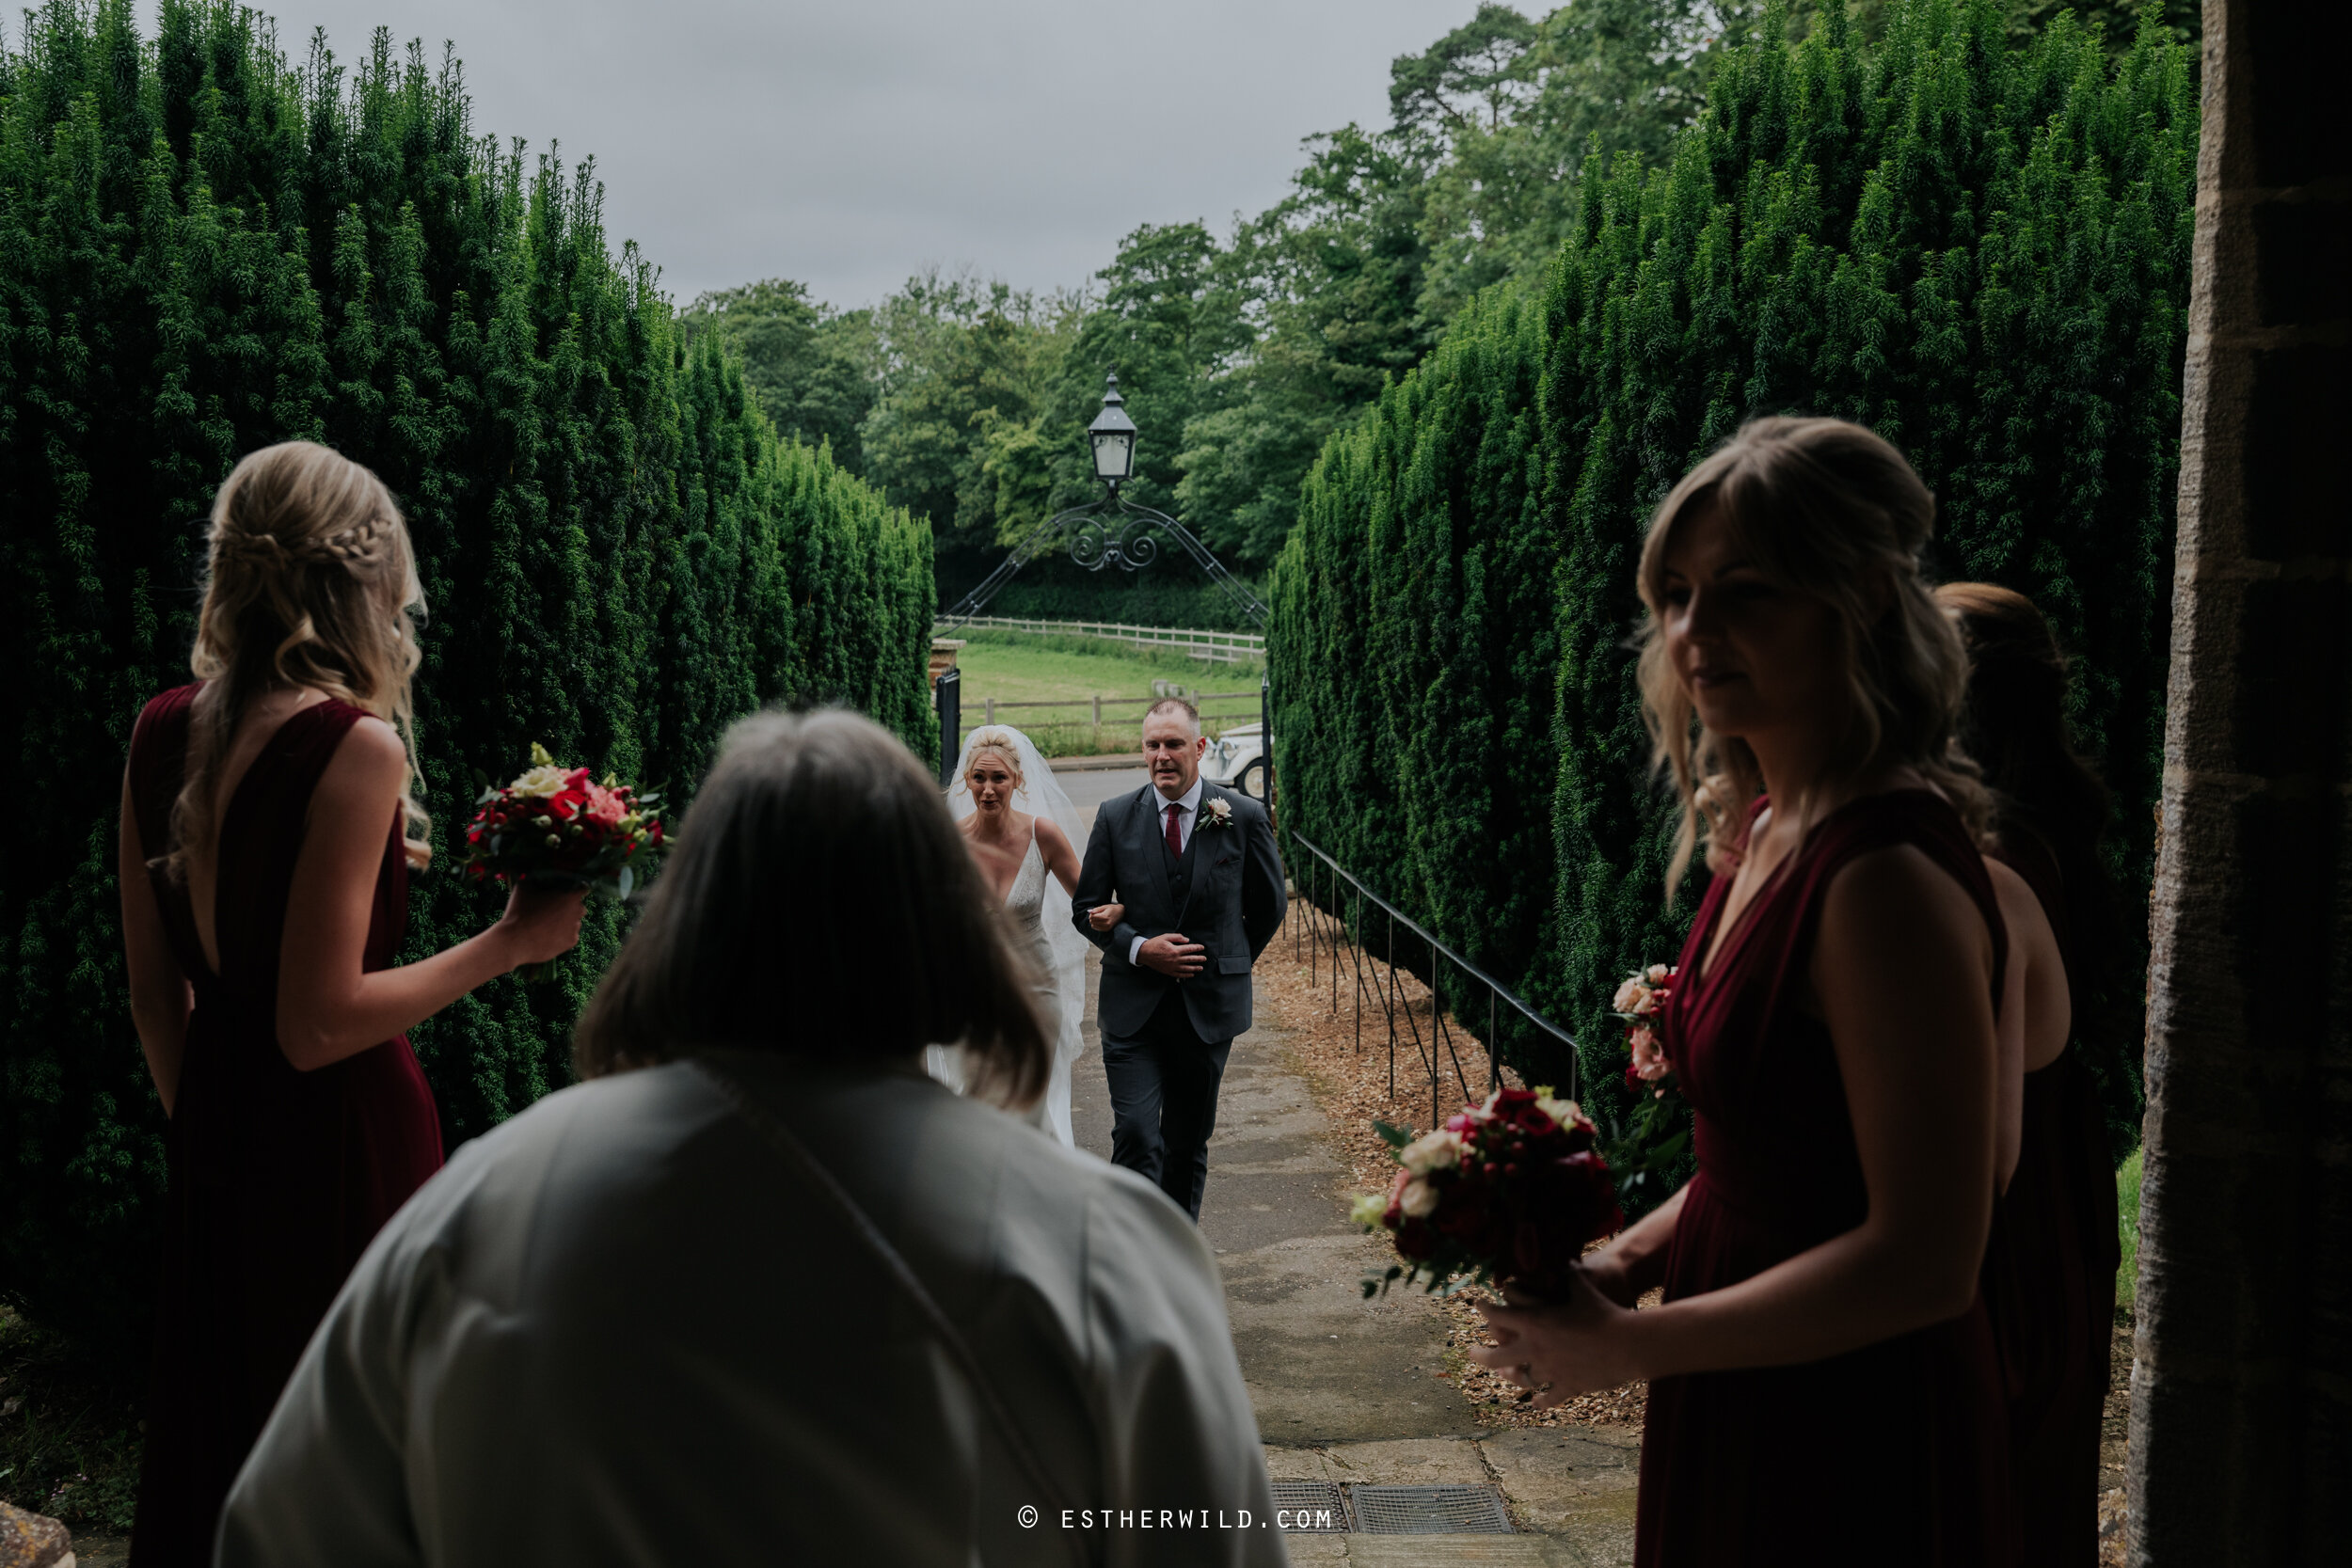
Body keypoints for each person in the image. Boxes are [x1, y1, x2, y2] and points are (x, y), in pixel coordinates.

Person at [215, 708, 1283, 1567]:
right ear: (930, 927)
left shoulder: (481, 1208)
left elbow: (280, 1531)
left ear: (691, 917)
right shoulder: (1107, 1254)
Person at [1471, 418, 2017, 1566]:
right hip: (1742, 1366)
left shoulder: (1880, 878)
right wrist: (1626, 1261)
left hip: (1843, 1420)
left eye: (1745, 591)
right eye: (1674, 593)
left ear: (1860, 599)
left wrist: (1628, 1348)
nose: (1691, 631)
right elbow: (1757, 1166)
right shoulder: (1767, 825)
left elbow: (1927, 1257)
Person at [117, 442, 585, 1565]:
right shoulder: (355, 743)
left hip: (219, 1131)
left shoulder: (159, 727)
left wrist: (209, 1130)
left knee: (229, 1439)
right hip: (340, 1147)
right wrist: (509, 942)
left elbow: (154, 989)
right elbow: (317, 1021)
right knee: (362, 1459)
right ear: (359, 581)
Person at [1940, 581, 2123, 1567]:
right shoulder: (2034, 825)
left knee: (1996, 1493)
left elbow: (1982, 1148)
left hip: (2007, 1230)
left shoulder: (1991, 860)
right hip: (2060, 1183)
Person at [1071, 698, 1286, 1221]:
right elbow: (1085, 910)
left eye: (1173, 744)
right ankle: (1131, 1256)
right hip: (1132, 1011)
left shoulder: (1243, 816)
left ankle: (1175, 1260)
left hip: (1208, 1011)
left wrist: (1223, 963)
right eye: (1153, 745)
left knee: (1185, 1142)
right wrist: (1141, 948)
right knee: (1137, 1135)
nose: (1162, 755)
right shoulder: (1116, 816)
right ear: (1142, 750)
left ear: (1199, 748)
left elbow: (1268, 907)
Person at [935, 726, 1089, 1146]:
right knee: (976, 1101)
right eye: (979, 778)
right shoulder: (948, 843)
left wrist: (1124, 923)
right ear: (966, 781)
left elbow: (1090, 902)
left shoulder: (1044, 835)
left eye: (999, 778)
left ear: (1018, 781)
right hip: (969, 989)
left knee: (1028, 1102)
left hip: (1036, 988)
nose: (988, 790)